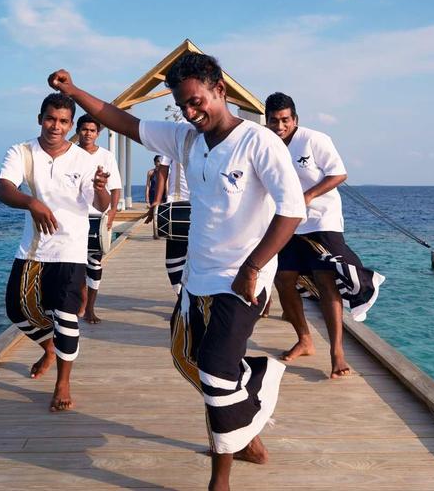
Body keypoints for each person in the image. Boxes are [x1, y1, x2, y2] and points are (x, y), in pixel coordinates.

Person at [48, 53, 306, 491]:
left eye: (197, 101)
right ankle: (249, 425)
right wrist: (73, 92)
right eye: (183, 105)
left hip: (244, 281)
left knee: (216, 370)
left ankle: (218, 479)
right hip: (197, 278)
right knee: (189, 360)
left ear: (219, 90)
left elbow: (292, 210)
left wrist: (253, 266)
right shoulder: (186, 139)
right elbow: (121, 121)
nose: (190, 112)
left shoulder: (258, 143)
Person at [0, 93, 110, 412]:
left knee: (65, 317)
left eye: (62, 121)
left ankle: (63, 382)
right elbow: (2, 187)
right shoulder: (22, 151)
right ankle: (48, 348)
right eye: (50, 119)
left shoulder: (85, 160)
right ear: (39, 118)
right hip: (33, 249)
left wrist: (100, 188)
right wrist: (31, 202)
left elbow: (101, 205)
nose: (55, 126)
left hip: (70, 250)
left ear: (70, 124)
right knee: (16, 311)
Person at [264, 92, 384, 379]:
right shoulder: (267, 144)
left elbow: (339, 174)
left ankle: (337, 352)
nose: (280, 126)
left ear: (295, 119)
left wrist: (308, 195)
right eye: (274, 121)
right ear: (266, 120)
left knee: (326, 280)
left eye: (285, 120)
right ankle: (305, 339)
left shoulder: (314, 139)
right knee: (283, 278)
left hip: (322, 219)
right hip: (289, 220)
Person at [76, 113, 122, 324]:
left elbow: (116, 187)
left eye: (92, 130)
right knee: (75, 266)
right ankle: (80, 305)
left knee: (94, 265)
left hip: (97, 217)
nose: (88, 134)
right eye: (84, 129)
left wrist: (112, 212)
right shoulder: (70, 154)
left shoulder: (106, 156)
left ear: (98, 133)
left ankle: (90, 308)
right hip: (74, 216)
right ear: (78, 131)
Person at [148, 154, 190, 294]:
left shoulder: (216, 134)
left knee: (205, 258)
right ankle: (182, 299)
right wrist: (157, 200)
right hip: (178, 202)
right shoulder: (173, 134)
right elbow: (163, 168)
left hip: (206, 203)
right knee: (174, 259)